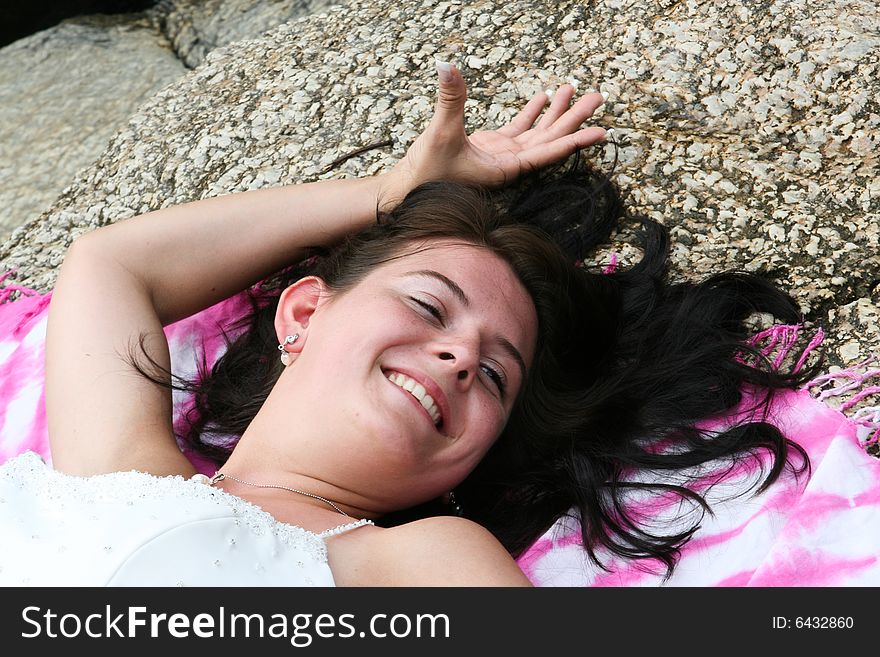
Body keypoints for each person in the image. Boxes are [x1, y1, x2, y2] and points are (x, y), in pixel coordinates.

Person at [0, 61, 814, 586]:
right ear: (306, 312)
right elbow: (111, 263)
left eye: (496, 374)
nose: (463, 353)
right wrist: (393, 192)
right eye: (428, 306)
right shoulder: (115, 467)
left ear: (472, 456)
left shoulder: (420, 563)